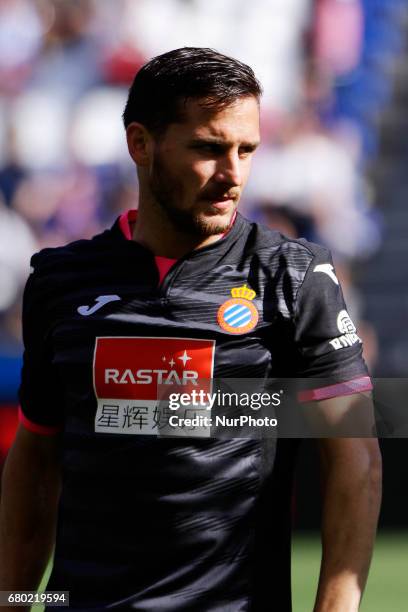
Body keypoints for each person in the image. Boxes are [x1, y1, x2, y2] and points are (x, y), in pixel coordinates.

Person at [0, 47, 381, 611]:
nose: (232, 175)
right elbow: (36, 461)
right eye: (208, 149)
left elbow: (356, 457)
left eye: (246, 150)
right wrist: (13, 601)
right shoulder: (61, 280)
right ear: (140, 144)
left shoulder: (295, 276)